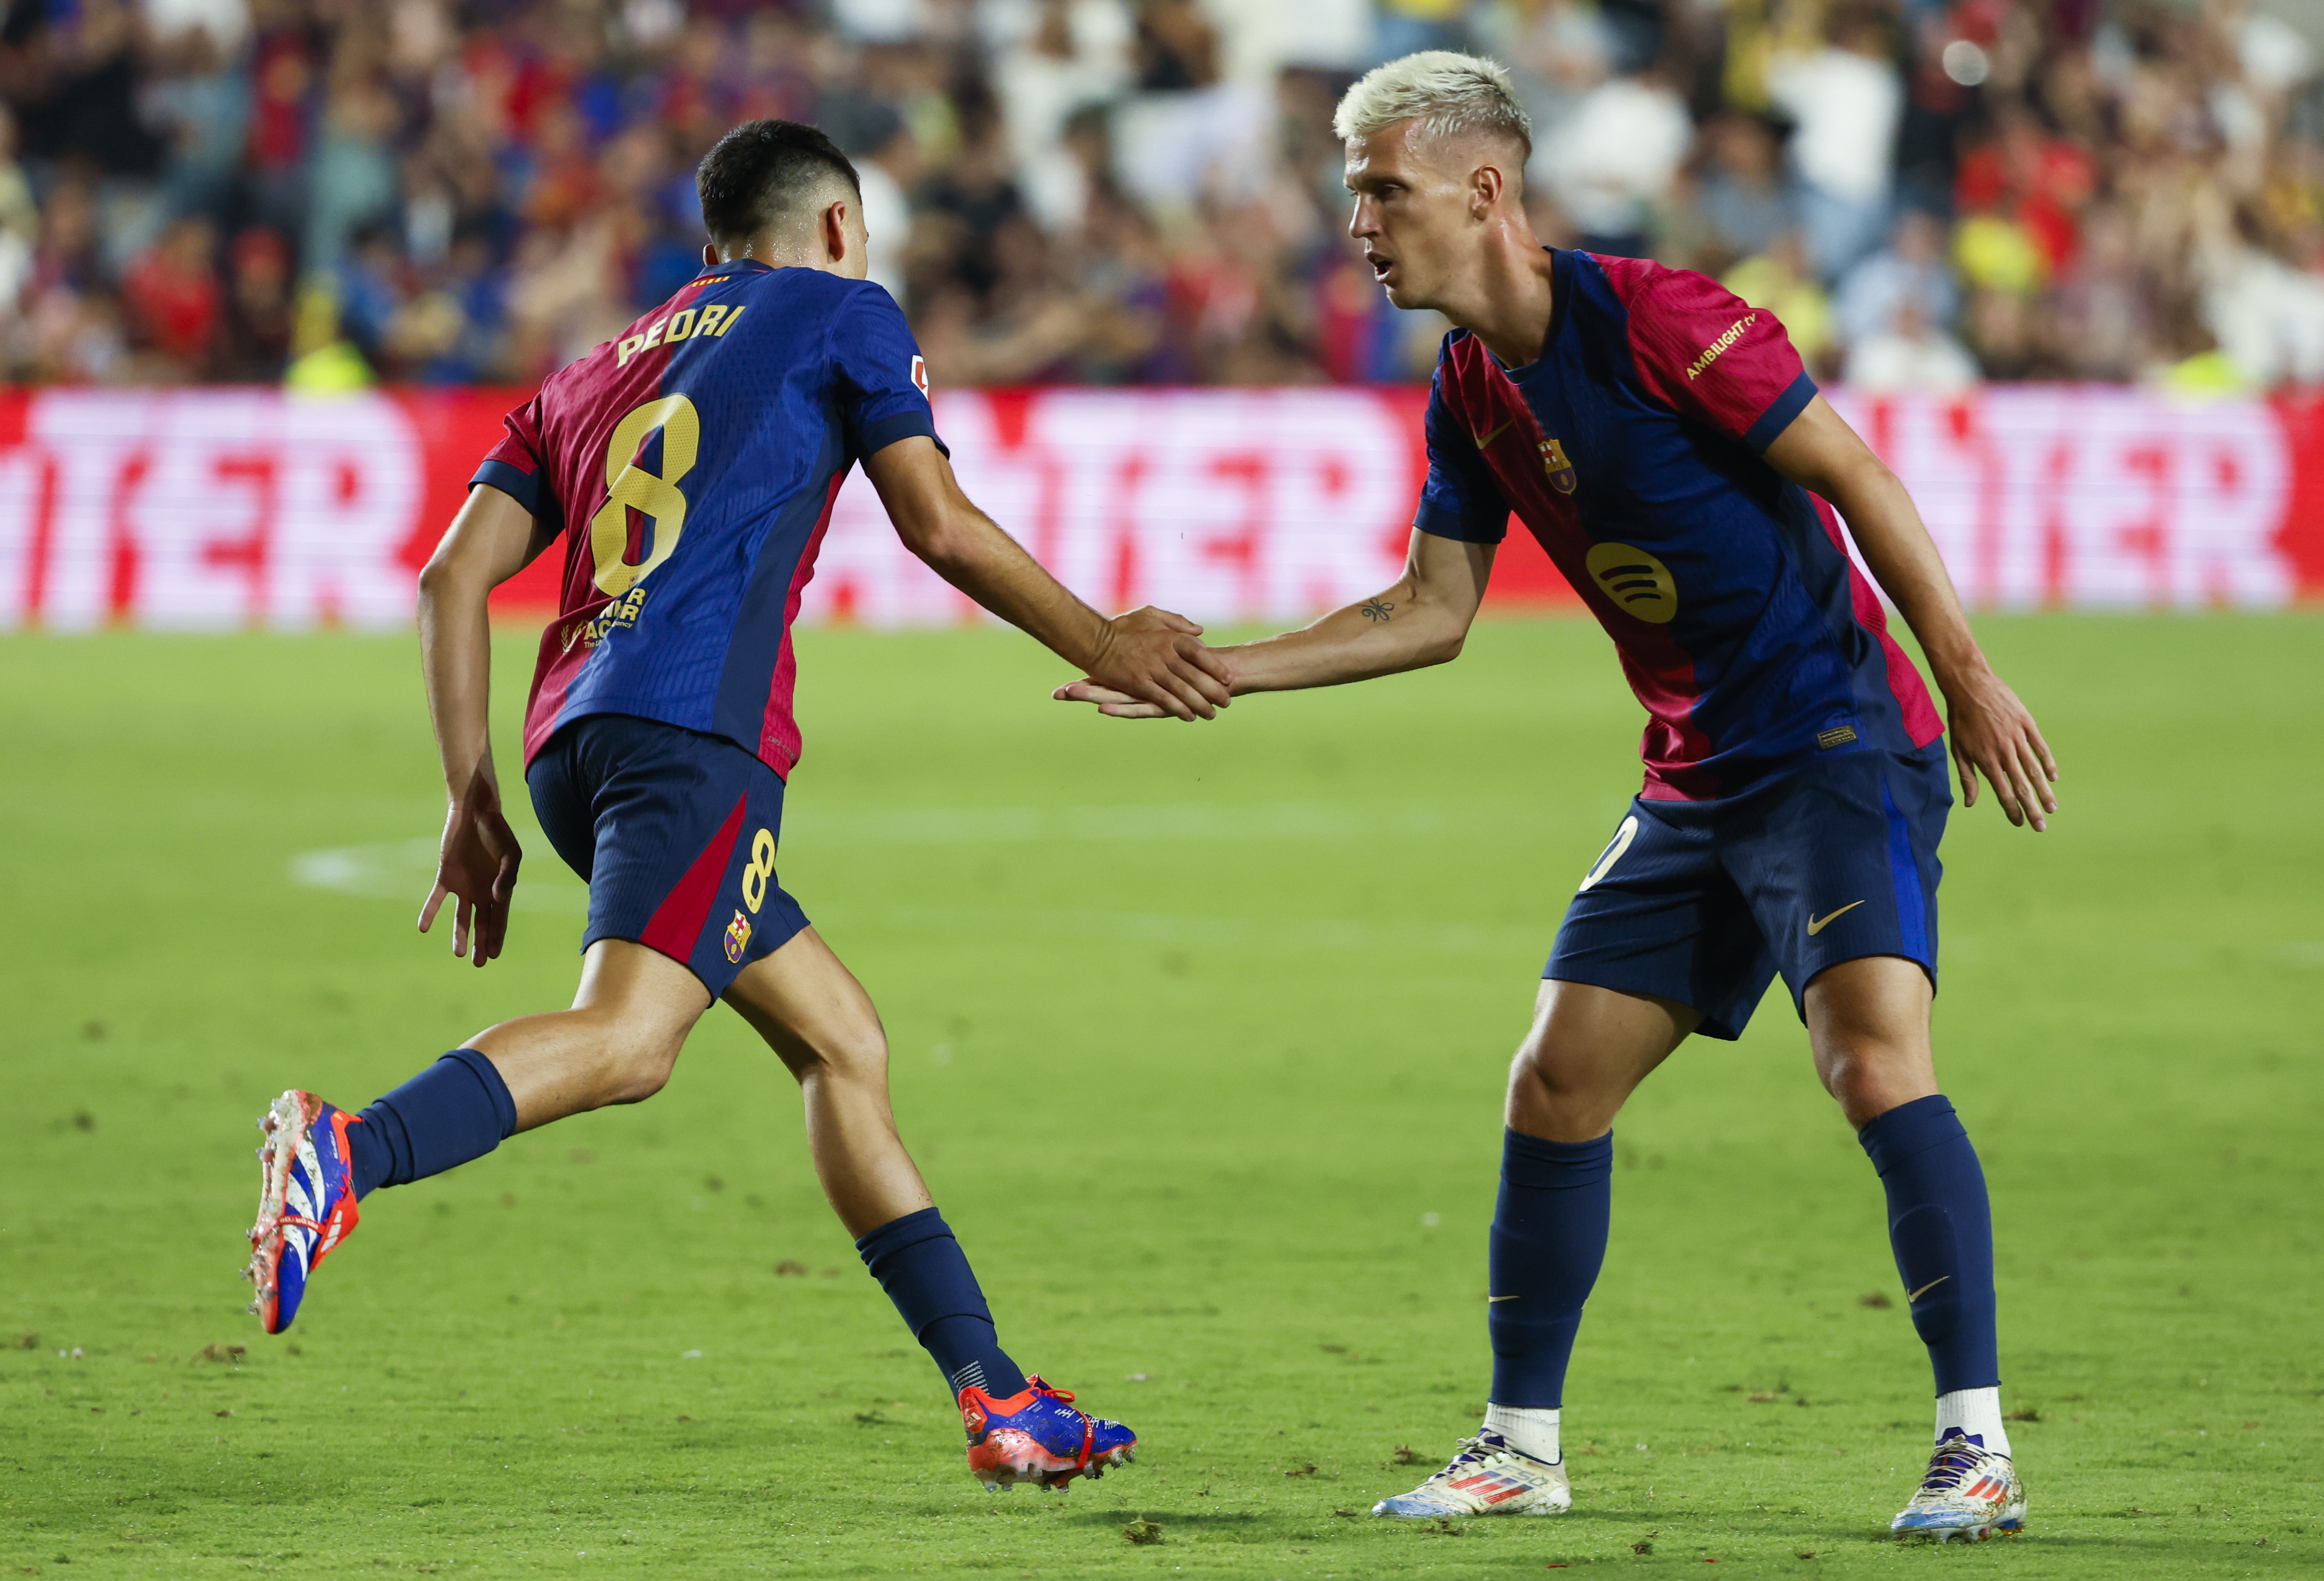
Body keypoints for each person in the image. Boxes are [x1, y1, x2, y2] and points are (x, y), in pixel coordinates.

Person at [1058, 53, 2055, 1542]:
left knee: (1866, 1055)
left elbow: (1854, 475)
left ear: (1482, 189)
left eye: (1380, 190)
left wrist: (1965, 673)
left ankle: (1976, 1446)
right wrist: (1224, 673)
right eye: (1352, 196)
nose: (1359, 224)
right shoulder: (1469, 384)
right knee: (1555, 1079)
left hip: (1839, 742)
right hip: (1695, 774)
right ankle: (1521, 1447)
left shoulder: (1663, 320)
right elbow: (1430, 608)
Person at [242, 119, 1232, 1492]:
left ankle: (999, 1396)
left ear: (709, 247)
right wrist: (1103, 641)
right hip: (696, 734)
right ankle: (349, 1149)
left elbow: (449, 579)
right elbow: (935, 521)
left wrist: (470, 796)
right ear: (836, 227)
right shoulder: (845, 310)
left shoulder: (593, 367)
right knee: (633, 1040)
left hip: (565, 747)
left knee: (841, 1043)